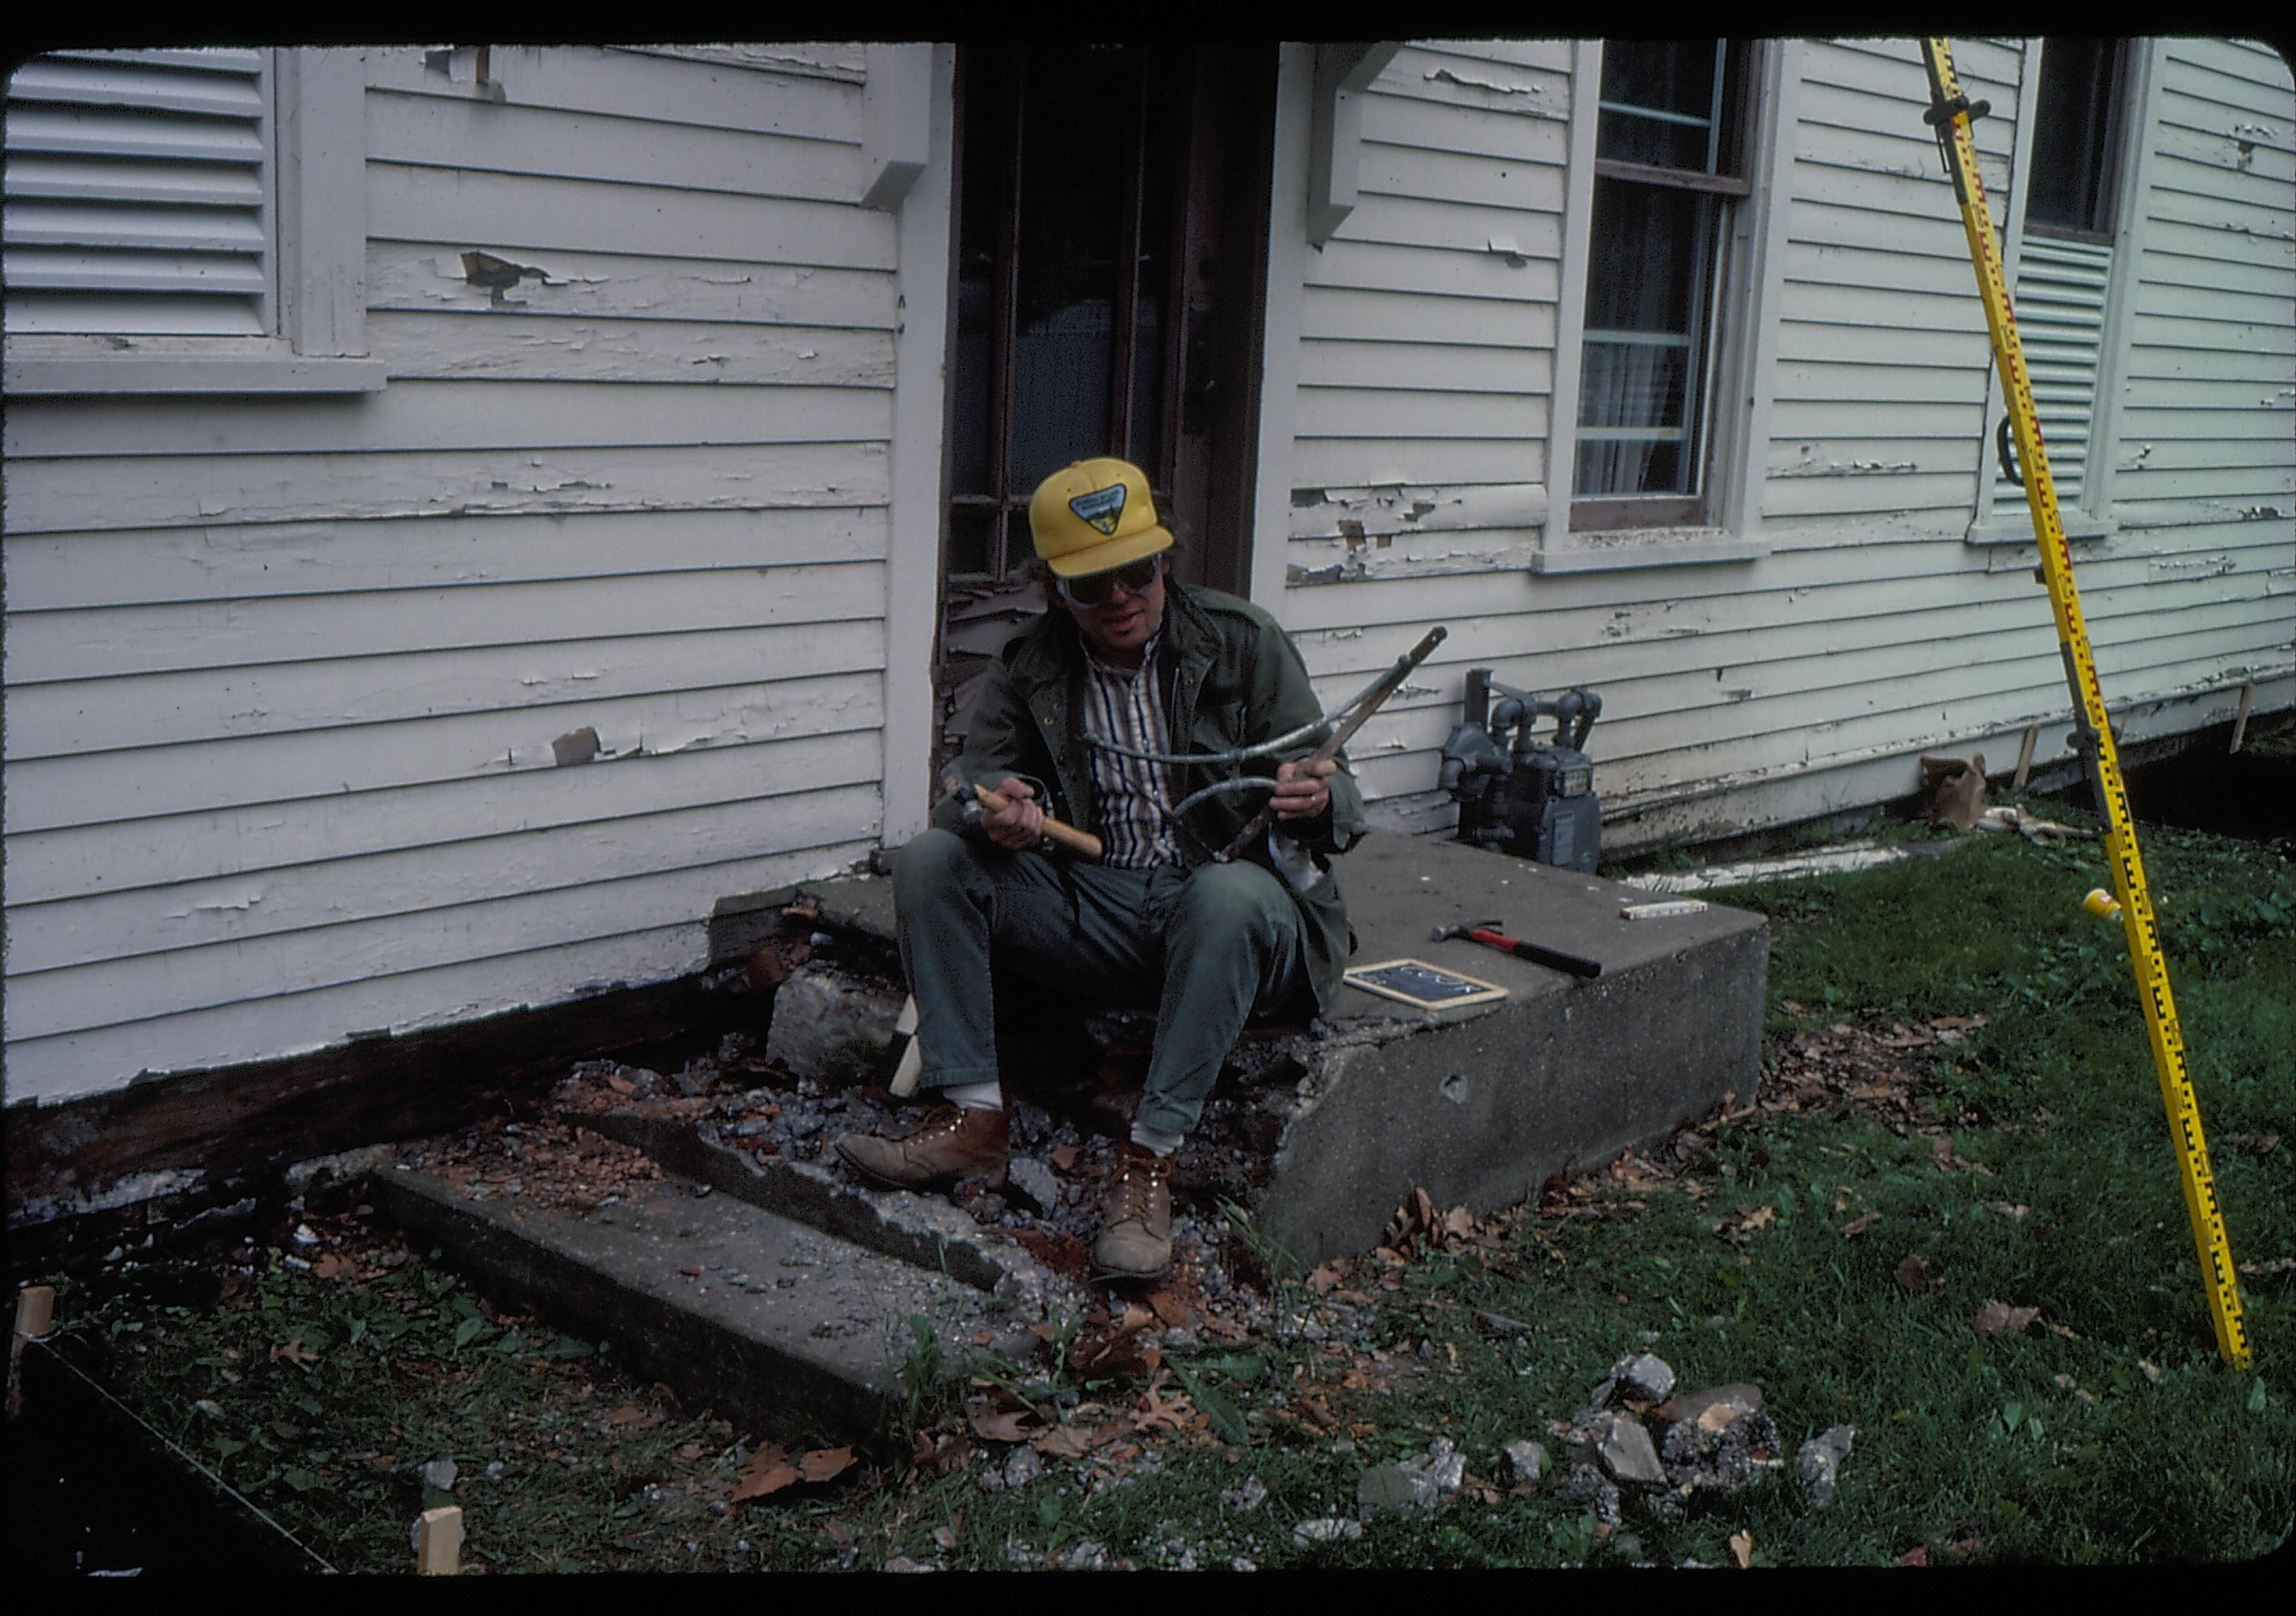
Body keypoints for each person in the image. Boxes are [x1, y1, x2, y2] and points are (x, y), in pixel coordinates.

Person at [835, 456, 1366, 1280]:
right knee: (933, 860)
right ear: (1054, 590)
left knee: (1225, 897)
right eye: (1092, 585)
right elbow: (962, 799)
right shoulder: (1029, 664)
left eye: (1136, 571)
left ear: (1167, 561)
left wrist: (1317, 802)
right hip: (1101, 907)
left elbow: (1347, 811)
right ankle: (974, 1122)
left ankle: (1149, 1160)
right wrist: (1000, 813)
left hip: (1240, 920)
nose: (1121, 598)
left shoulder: (1242, 642)